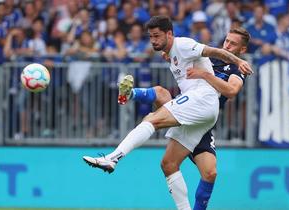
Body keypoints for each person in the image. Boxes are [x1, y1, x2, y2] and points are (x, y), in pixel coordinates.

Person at [83, 16, 252, 210]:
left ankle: (113, 158)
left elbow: (230, 90)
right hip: (198, 112)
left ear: (242, 49)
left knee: (153, 118)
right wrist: (170, 54)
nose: (227, 45)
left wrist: (231, 64)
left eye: (233, 43)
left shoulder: (234, 69)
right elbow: (190, 55)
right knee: (169, 164)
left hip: (203, 103)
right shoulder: (183, 52)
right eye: (227, 41)